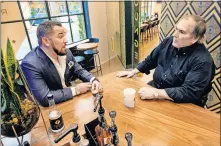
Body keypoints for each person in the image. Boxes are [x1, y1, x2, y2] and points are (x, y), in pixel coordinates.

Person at [117, 15, 215, 107]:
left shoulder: (203, 61)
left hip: (180, 103)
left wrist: (156, 94)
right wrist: (134, 71)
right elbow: (151, 60)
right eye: (176, 29)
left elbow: (188, 92)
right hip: (156, 88)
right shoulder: (168, 41)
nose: (175, 34)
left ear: (195, 38)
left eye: (182, 32)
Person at [21, 20, 101, 107]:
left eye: (65, 35)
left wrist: (93, 80)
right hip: (51, 109)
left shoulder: (66, 51)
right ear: (46, 41)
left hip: (70, 101)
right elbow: (44, 98)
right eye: (60, 36)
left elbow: (79, 70)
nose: (66, 40)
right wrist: (76, 90)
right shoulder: (30, 63)